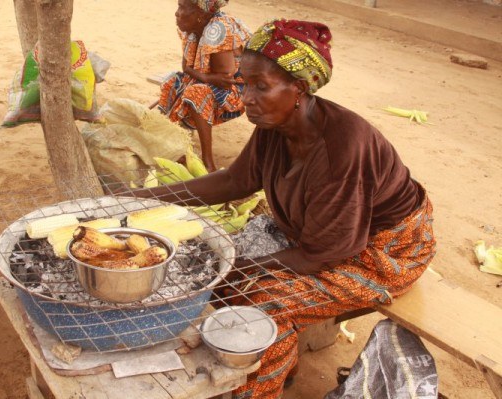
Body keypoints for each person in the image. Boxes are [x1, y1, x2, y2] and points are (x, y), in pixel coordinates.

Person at [131, 19, 436, 399]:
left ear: (300, 88)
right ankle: (281, 365)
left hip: (384, 255)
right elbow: (233, 182)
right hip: (320, 235)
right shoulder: (276, 125)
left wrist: (234, 267)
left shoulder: (343, 149)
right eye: (244, 84)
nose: (247, 98)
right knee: (219, 267)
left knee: (263, 303)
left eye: (261, 86)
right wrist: (146, 199)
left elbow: (322, 253)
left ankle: (261, 389)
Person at [158, 0, 251, 172]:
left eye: (182, 7)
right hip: (207, 79)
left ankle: (208, 162)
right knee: (171, 81)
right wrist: (204, 76)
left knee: (196, 93)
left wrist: (200, 76)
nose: (177, 13)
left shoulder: (218, 30)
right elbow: (185, 68)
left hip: (238, 90)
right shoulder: (191, 29)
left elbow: (225, 78)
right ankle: (168, 140)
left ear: (199, 14)